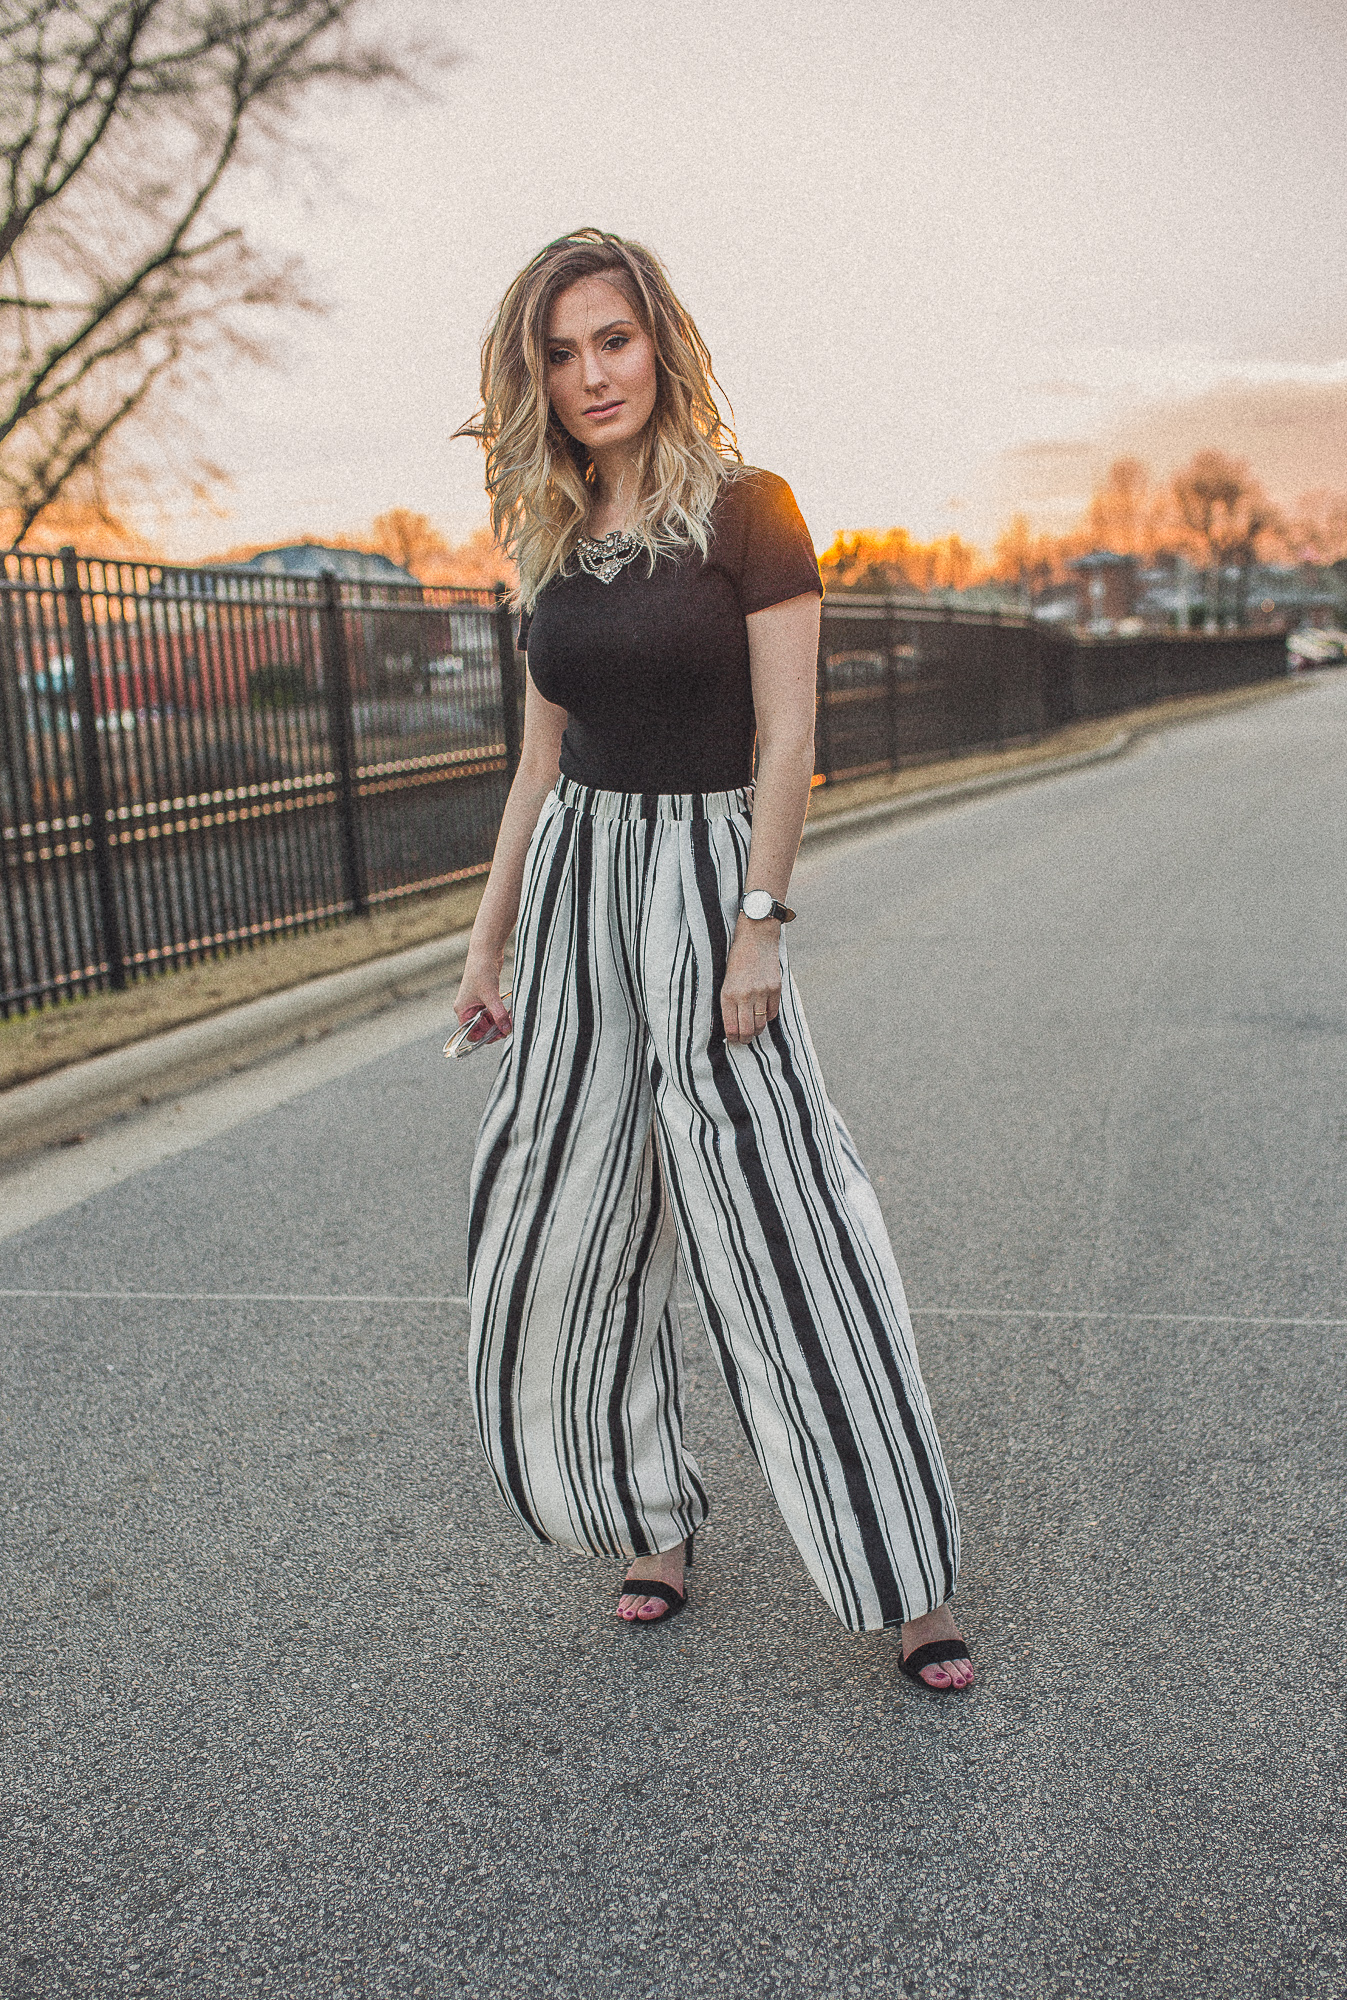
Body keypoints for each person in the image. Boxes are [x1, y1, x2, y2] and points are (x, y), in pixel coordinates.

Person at [452, 228, 973, 1691]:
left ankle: (904, 1573)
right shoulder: (548, 531)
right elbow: (539, 765)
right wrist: (488, 948)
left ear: (660, 344)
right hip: (576, 896)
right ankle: (646, 1520)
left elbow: (790, 737)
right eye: (559, 353)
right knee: (565, 1217)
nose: (589, 373)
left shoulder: (752, 510)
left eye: (611, 340)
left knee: (785, 1216)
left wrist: (761, 921)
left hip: (705, 876)